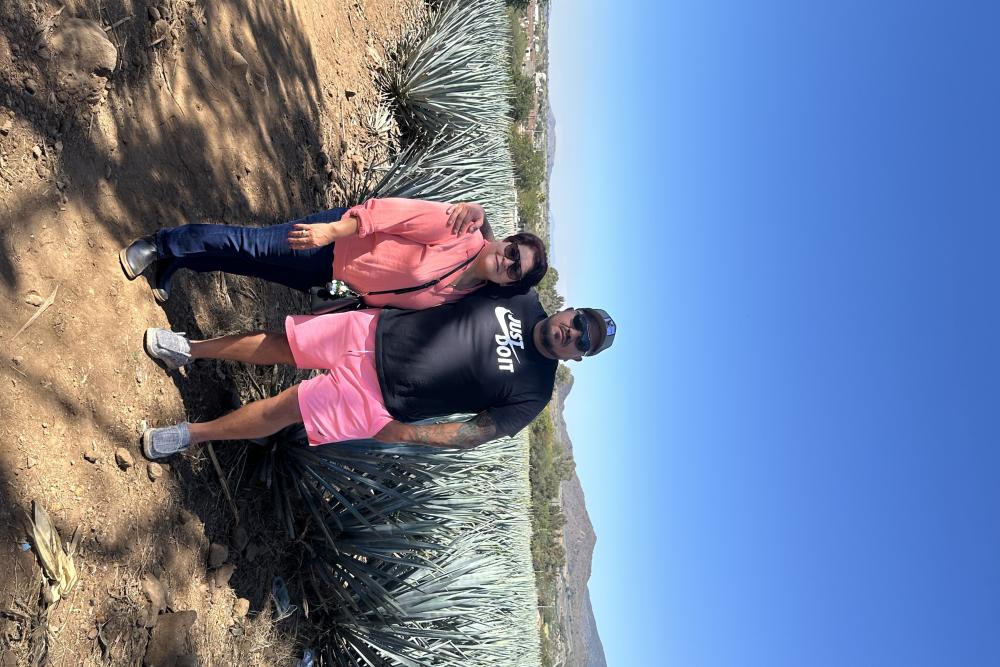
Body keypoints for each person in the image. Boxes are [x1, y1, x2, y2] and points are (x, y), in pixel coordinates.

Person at [139, 289, 617, 457]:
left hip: (379, 398)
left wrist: (406, 434)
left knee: (285, 410)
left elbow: (477, 432)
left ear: (578, 357)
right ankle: (190, 349)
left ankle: (191, 435)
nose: (573, 333)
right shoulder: (521, 296)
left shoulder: (534, 392)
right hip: (373, 329)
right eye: (579, 322)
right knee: (281, 345)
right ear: (570, 309)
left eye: (584, 342)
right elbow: (476, 257)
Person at [119, 198, 548, 309]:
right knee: (249, 244)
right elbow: (387, 213)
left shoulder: (466, 296)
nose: (508, 262)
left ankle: (180, 260)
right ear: (506, 239)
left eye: (516, 270)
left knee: (248, 265)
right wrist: (329, 231)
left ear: (511, 283)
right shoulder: (457, 228)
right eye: (513, 251)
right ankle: (158, 244)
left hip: (335, 280)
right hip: (335, 240)